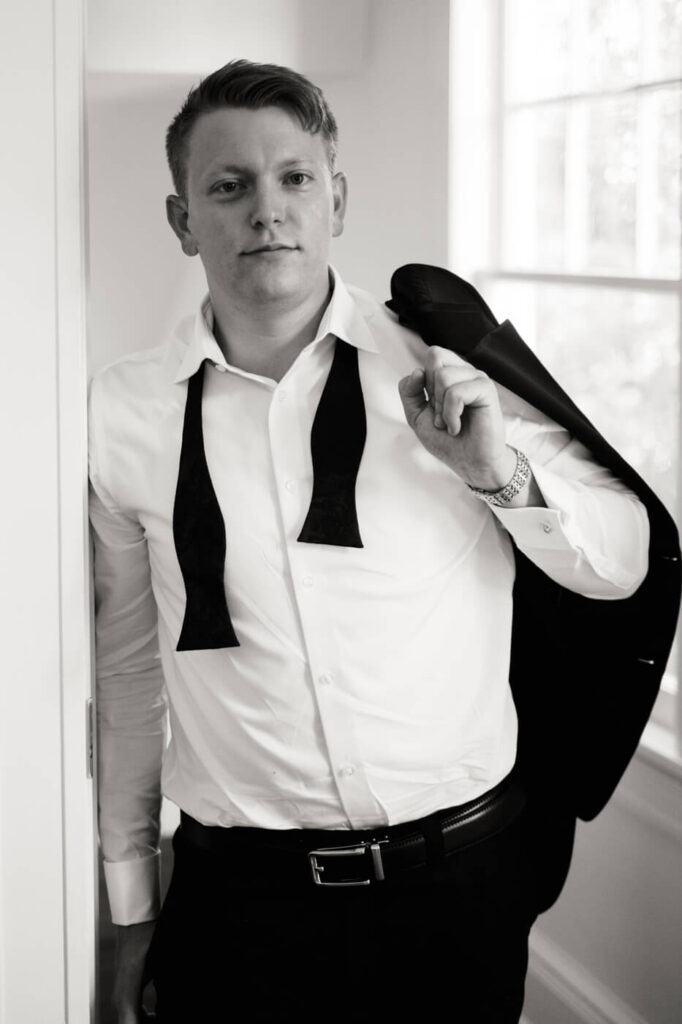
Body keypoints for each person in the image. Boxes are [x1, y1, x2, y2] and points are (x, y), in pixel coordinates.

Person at [89, 59, 655, 1023]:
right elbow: (130, 668)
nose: (267, 211)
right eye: (228, 187)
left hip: (463, 889)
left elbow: (625, 561)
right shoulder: (117, 416)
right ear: (184, 220)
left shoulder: (449, 365)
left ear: (336, 200)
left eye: (294, 179)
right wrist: (133, 902)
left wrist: (498, 475)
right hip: (240, 906)